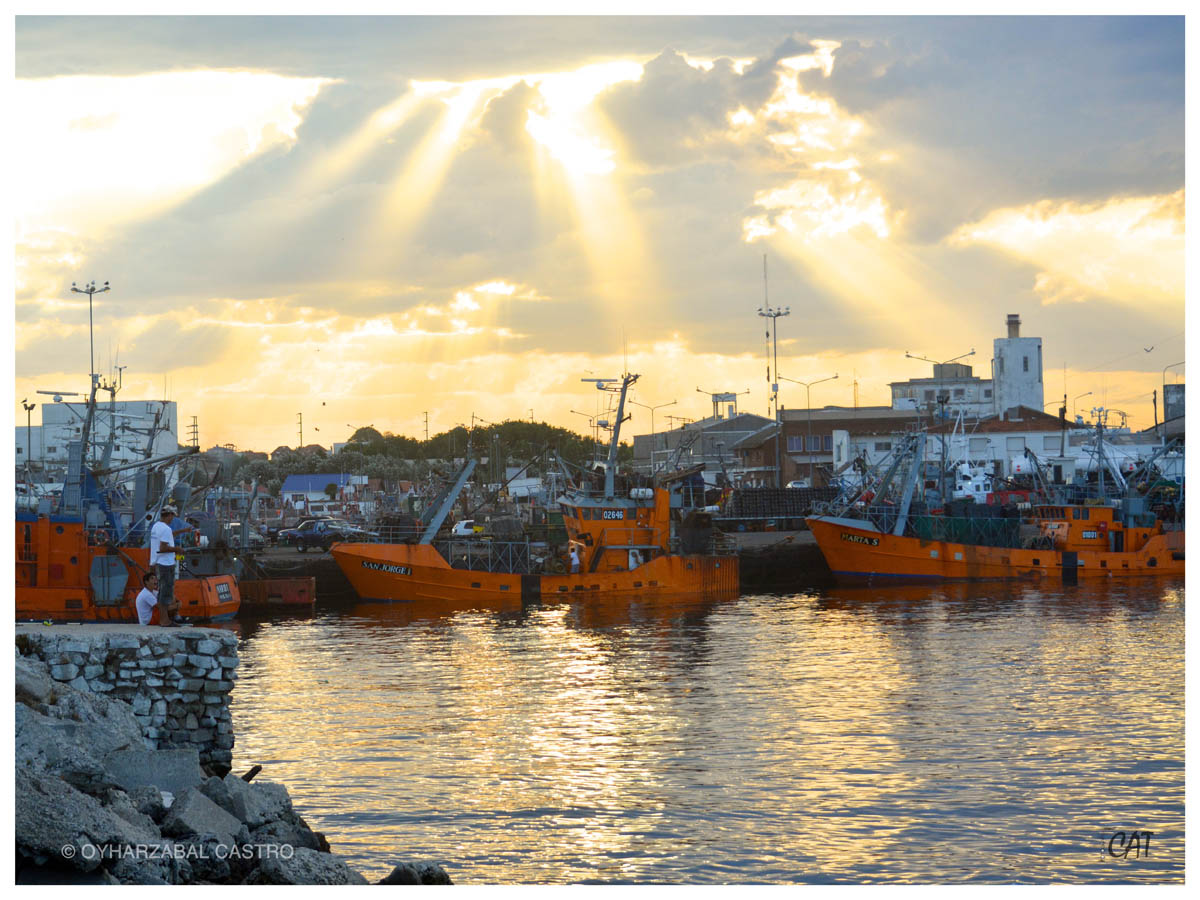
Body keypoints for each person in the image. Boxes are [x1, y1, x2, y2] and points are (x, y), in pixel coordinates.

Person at [150, 506, 180, 624]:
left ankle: (164, 619)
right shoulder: (166, 529)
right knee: (166, 592)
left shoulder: (156, 526)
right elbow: (162, 548)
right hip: (166, 564)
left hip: (159, 563)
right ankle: (164, 620)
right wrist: (177, 549)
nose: (173, 519)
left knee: (162, 591)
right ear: (169, 515)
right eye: (172, 516)